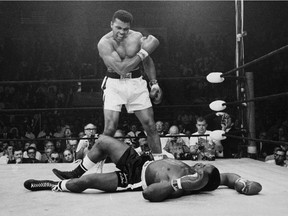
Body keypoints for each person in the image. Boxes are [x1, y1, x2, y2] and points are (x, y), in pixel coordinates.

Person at [24, 135, 262, 202]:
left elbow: (148, 194)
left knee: (85, 184)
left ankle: (55, 185)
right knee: (104, 141)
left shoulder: (180, 186)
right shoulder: (201, 172)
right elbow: (230, 177)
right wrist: (243, 184)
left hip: (134, 178)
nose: (199, 162)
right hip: (139, 160)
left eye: (202, 166)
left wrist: (178, 184)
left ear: (201, 177)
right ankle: (73, 171)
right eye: (202, 163)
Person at [97, 9, 162, 156]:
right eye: (118, 28)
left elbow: (147, 61)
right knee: (110, 129)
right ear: (111, 24)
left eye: (125, 29)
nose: (122, 32)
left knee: (150, 126)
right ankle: (98, 164)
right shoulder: (104, 43)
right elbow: (121, 69)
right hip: (114, 83)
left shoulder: (137, 37)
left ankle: (159, 164)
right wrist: (144, 51)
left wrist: (154, 83)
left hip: (136, 82)